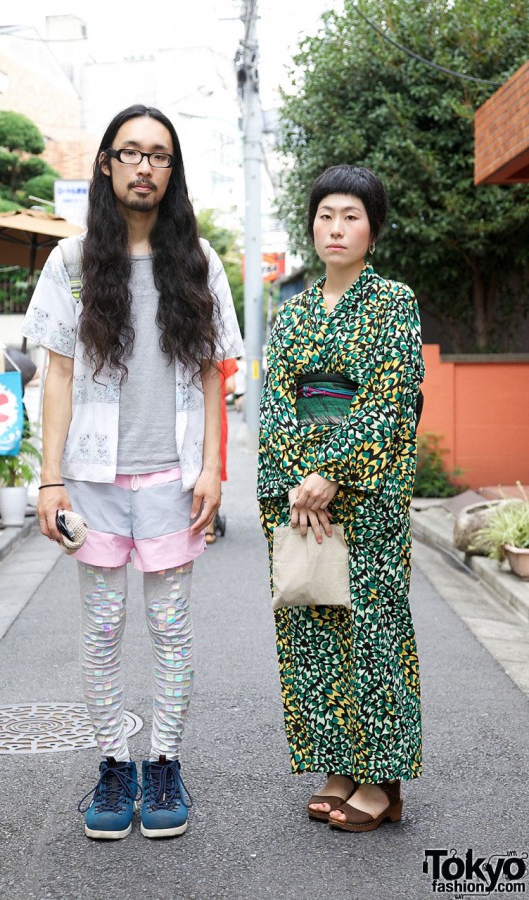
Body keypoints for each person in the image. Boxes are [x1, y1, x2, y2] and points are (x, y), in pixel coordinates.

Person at [21, 104, 243, 841]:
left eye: (160, 155)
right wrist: (49, 479)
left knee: (171, 630)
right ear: (109, 165)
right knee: (103, 630)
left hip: (174, 481)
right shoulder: (73, 262)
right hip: (91, 481)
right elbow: (55, 375)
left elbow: (214, 372)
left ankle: (165, 762)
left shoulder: (198, 262)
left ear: (172, 174)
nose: (145, 166)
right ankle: (115, 762)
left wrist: (214, 466)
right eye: (132, 152)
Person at [257, 165, 424, 833]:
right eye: (326, 214)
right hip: (303, 501)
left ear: (373, 230)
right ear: (311, 226)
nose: (336, 227)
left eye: (351, 216)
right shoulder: (292, 311)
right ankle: (338, 766)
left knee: (375, 629)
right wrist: (300, 480)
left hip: (368, 493)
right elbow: (275, 405)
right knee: (313, 629)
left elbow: (391, 398)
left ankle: (383, 780)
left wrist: (332, 472)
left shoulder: (393, 303)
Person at [205, 357, 237, 544]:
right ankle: (209, 528)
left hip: (191, 412)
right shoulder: (222, 350)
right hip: (216, 414)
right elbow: (231, 386)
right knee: (213, 463)